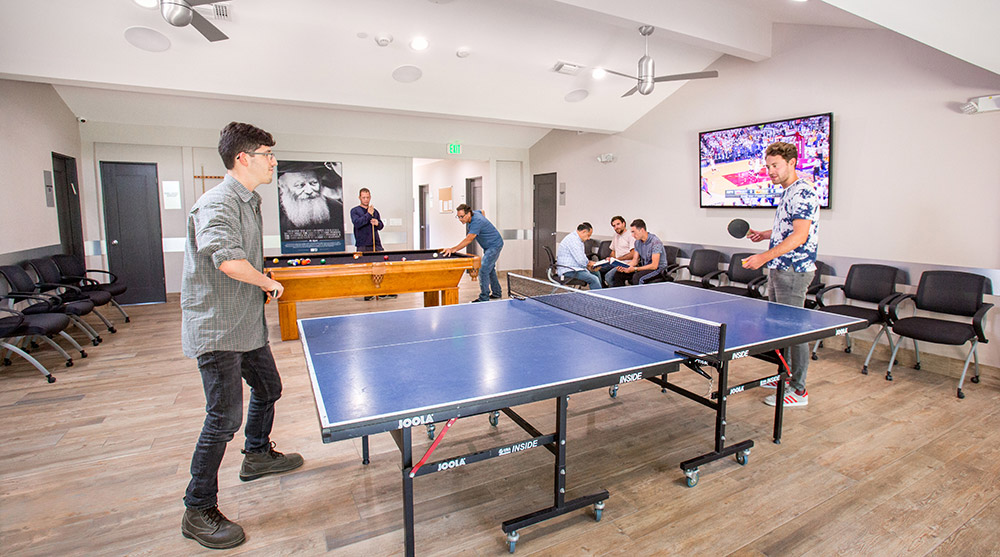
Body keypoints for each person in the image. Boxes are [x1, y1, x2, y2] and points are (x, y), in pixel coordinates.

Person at [180, 122, 304, 549]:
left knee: (269, 387)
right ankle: (197, 508)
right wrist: (268, 284)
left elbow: (243, 261)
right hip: (218, 328)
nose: (274, 161)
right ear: (243, 158)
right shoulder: (215, 203)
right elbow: (229, 262)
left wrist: (261, 280)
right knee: (222, 417)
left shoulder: (249, 201)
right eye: (268, 154)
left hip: (246, 324)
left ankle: (256, 455)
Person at [742, 141, 820, 408]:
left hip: (793, 272)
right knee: (780, 329)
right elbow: (789, 229)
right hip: (780, 269)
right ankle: (784, 376)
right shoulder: (788, 192)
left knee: (794, 331)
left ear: (791, 163)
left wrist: (763, 256)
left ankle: (799, 390)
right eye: (768, 166)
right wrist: (766, 235)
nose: (770, 171)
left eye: (775, 165)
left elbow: (800, 236)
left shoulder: (802, 193)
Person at [442, 204, 503, 302]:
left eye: (462, 216)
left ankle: (484, 298)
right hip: (488, 246)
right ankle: (497, 293)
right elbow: (482, 211)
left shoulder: (477, 222)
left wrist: (453, 249)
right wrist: (485, 225)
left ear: (469, 214)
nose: (460, 219)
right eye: (458, 217)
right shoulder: (475, 213)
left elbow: (469, 239)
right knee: (489, 269)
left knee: (483, 269)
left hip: (494, 245)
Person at [349, 188, 395, 300]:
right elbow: (357, 223)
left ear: (370, 197)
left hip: (376, 243)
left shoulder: (375, 211)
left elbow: (381, 226)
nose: (366, 199)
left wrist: (377, 223)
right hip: (362, 244)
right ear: (359, 198)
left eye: (368, 197)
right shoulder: (354, 211)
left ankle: (382, 291)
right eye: (364, 197)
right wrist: (368, 215)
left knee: (381, 266)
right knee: (366, 269)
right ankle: (368, 293)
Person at [276, 161, 343, 232]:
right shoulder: (276, 213)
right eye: (299, 185)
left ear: (320, 183)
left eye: (313, 183)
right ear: (283, 186)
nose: (309, 191)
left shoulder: (337, 208)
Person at [610, 219, 668, 286]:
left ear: (642, 230)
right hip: (645, 268)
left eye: (634, 232)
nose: (632, 235)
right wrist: (624, 267)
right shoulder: (637, 242)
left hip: (658, 270)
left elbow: (654, 266)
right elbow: (635, 261)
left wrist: (634, 269)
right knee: (619, 274)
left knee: (637, 278)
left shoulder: (655, 242)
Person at [556, 222, 602, 290]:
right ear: (584, 232)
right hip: (569, 271)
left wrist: (590, 264)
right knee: (594, 279)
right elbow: (581, 261)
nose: (589, 238)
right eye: (588, 235)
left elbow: (582, 259)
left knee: (596, 273)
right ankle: (598, 299)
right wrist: (590, 264)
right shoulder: (574, 240)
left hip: (574, 268)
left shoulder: (577, 239)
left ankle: (602, 293)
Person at [602, 215, 635, 287]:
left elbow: (633, 254)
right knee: (597, 269)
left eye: (618, 224)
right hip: (615, 262)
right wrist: (610, 258)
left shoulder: (631, 235)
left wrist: (618, 259)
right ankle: (604, 291)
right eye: (614, 226)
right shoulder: (615, 236)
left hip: (625, 263)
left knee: (608, 277)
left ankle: (617, 293)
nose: (616, 227)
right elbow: (613, 251)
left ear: (624, 223)